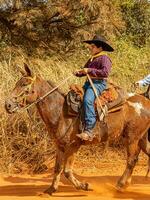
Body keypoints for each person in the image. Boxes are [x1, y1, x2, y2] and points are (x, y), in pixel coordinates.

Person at [74, 35, 114, 141]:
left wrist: (89, 71)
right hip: (88, 83)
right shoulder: (92, 58)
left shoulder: (105, 58)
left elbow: (105, 73)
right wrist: (78, 72)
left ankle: (89, 130)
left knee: (87, 100)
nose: (90, 48)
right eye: (90, 46)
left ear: (99, 48)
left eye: (92, 46)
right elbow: (85, 70)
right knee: (74, 97)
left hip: (98, 84)